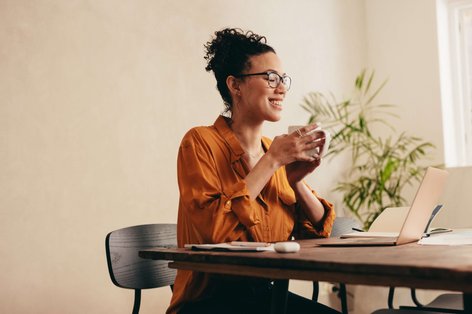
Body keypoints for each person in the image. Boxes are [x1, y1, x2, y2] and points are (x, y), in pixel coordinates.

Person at [168, 28, 338, 314]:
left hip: (263, 297)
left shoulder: (274, 150)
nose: (281, 87)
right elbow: (215, 233)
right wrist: (271, 162)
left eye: (283, 79)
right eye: (270, 77)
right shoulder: (199, 142)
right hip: (207, 303)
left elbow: (317, 236)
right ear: (235, 85)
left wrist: (296, 183)